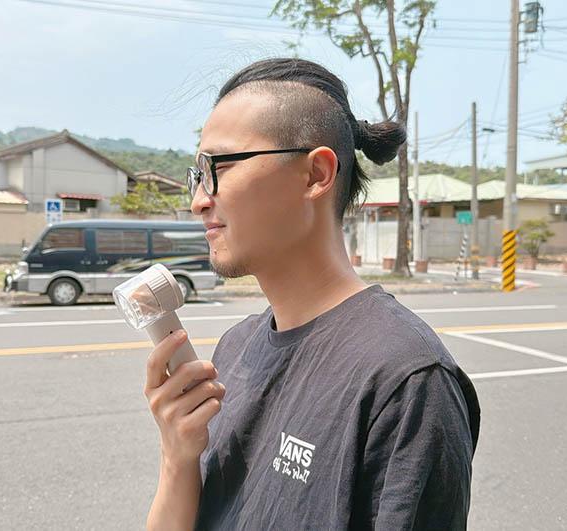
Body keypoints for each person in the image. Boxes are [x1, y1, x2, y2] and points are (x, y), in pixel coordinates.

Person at [143, 57, 480, 531]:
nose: (199, 200)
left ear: (316, 174)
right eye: (197, 174)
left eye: (218, 166)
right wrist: (177, 455)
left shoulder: (407, 379)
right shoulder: (235, 347)